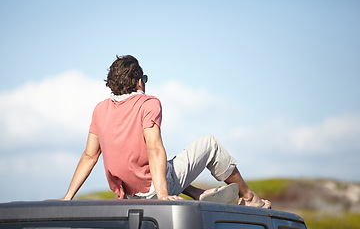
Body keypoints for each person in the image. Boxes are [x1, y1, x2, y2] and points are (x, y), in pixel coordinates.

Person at [61, 55, 271, 209]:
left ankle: (197, 193)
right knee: (210, 144)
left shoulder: (100, 109)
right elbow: (154, 149)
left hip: (128, 196)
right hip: (154, 190)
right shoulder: (148, 103)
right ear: (138, 81)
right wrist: (162, 195)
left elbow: (89, 155)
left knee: (168, 165)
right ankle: (249, 197)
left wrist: (67, 197)